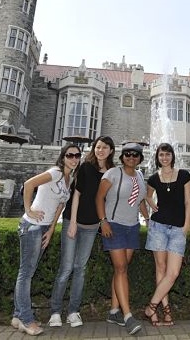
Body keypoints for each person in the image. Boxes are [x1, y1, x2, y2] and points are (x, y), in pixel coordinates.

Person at [11, 143, 81, 336]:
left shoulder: (69, 178)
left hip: (44, 228)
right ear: (63, 156)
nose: (74, 159)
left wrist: (51, 230)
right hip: (32, 226)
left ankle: (17, 316)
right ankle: (26, 319)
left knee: (27, 272)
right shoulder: (56, 172)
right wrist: (28, 210)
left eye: (77, 156)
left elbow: (60, 205)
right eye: (70, 155)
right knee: (26, 274)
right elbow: (29, 184)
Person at [48, 136, 116, 328]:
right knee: (66, 268)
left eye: (104, 148)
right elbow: (76, 195)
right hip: (74, 221)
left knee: (80, 269)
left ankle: (73, 311)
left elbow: (108, 200)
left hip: (92, 226)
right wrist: (72, 222)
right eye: (98, 147)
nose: (100, 150)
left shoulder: (112, 173)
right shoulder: (86, 167)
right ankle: (54, 311)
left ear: (111, 150)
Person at [95, 142, 149, 336]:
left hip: (132, 227)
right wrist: (104, 222)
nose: (131, 157)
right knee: (120, 269)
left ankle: (113, 311)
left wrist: (148, 219)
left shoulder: (140, 176)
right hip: (114, 225)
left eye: (135, 155)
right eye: (128, 154)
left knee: (122, 269)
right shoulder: (112, 174)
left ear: (140, 158)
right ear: (122, 156)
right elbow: (99, 197)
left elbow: (139, 200)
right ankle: (128, 316)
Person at [143, 142, 190, 326]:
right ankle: (165, 312)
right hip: (158, 227)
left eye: (167, 154)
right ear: (157, 157)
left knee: (173, 273)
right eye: (161, 155)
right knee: (161, 270)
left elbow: (188, 202)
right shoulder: (154, 178)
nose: (164, 158)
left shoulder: (184, 175)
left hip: (178, 229)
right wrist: (151, 203)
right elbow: (147, 195)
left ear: (172, 156)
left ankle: (151, 307)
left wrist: (186, 225)